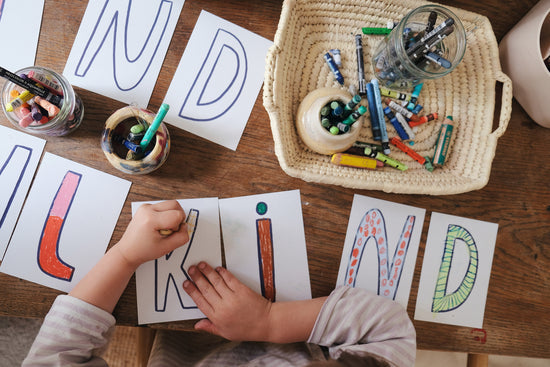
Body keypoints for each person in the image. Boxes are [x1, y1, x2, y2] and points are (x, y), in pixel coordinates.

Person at [23, 200, 416, 366]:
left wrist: (125, 256)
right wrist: (269, 322)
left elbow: (59, 349)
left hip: (184, 347)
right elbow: (392, 329)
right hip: (285, 328)